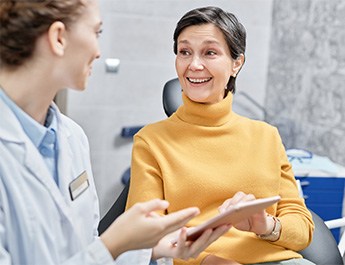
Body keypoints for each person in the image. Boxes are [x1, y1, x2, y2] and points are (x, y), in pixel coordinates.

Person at [0, 1, 230, 264]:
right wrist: (114, 243)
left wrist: (152, 249)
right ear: (59, 38)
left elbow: (85, 249)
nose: (98, 52)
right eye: (96, 33)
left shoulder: (72, 138)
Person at [126, 6, 315, 265]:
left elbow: (302, 229)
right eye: (184, 52)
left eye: (210, 52)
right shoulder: (151, 141)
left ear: (237, 63)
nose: (194, 65)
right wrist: (206, 260)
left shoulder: (266, 136)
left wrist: (266, 225)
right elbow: (143, 238)